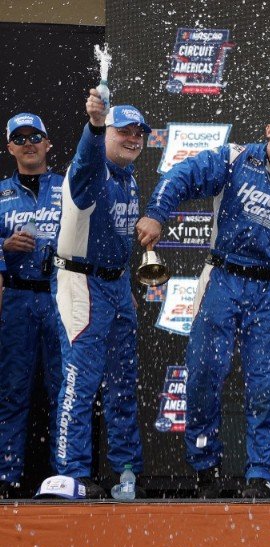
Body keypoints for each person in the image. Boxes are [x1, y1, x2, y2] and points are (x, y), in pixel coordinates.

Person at [136, 101, 270, 499]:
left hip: (268, 291)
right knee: (204, 375)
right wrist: (158, 213)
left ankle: (261, 472)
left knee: (265, 385)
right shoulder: (233, 159)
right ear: (269, 128)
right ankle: (204, 466)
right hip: (223, 279)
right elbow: (182, 174)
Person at [43, 93, 148, 499]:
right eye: (123, 131)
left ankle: (126, 473)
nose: (133, 138)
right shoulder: (89, 170)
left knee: (123, 384)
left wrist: (124, 286)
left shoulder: (128, 177)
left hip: (116, 285)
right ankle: (72, 475)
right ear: (106, 135)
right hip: (80, 284)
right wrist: (94, 124)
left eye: (139, 133)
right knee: (80, 381)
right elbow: (87, 158)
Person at [0, 113, 63, 498]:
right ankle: (7, 477)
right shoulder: (0, 193)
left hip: (61, 297)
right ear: (9, 148)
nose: (28, 144)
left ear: (47, 143)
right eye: (19, 139)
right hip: (17, 299)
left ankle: (64, 476)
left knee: (64, 391)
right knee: (12, 391)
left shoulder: (69, 187)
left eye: (35, 137)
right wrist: (2, 248)